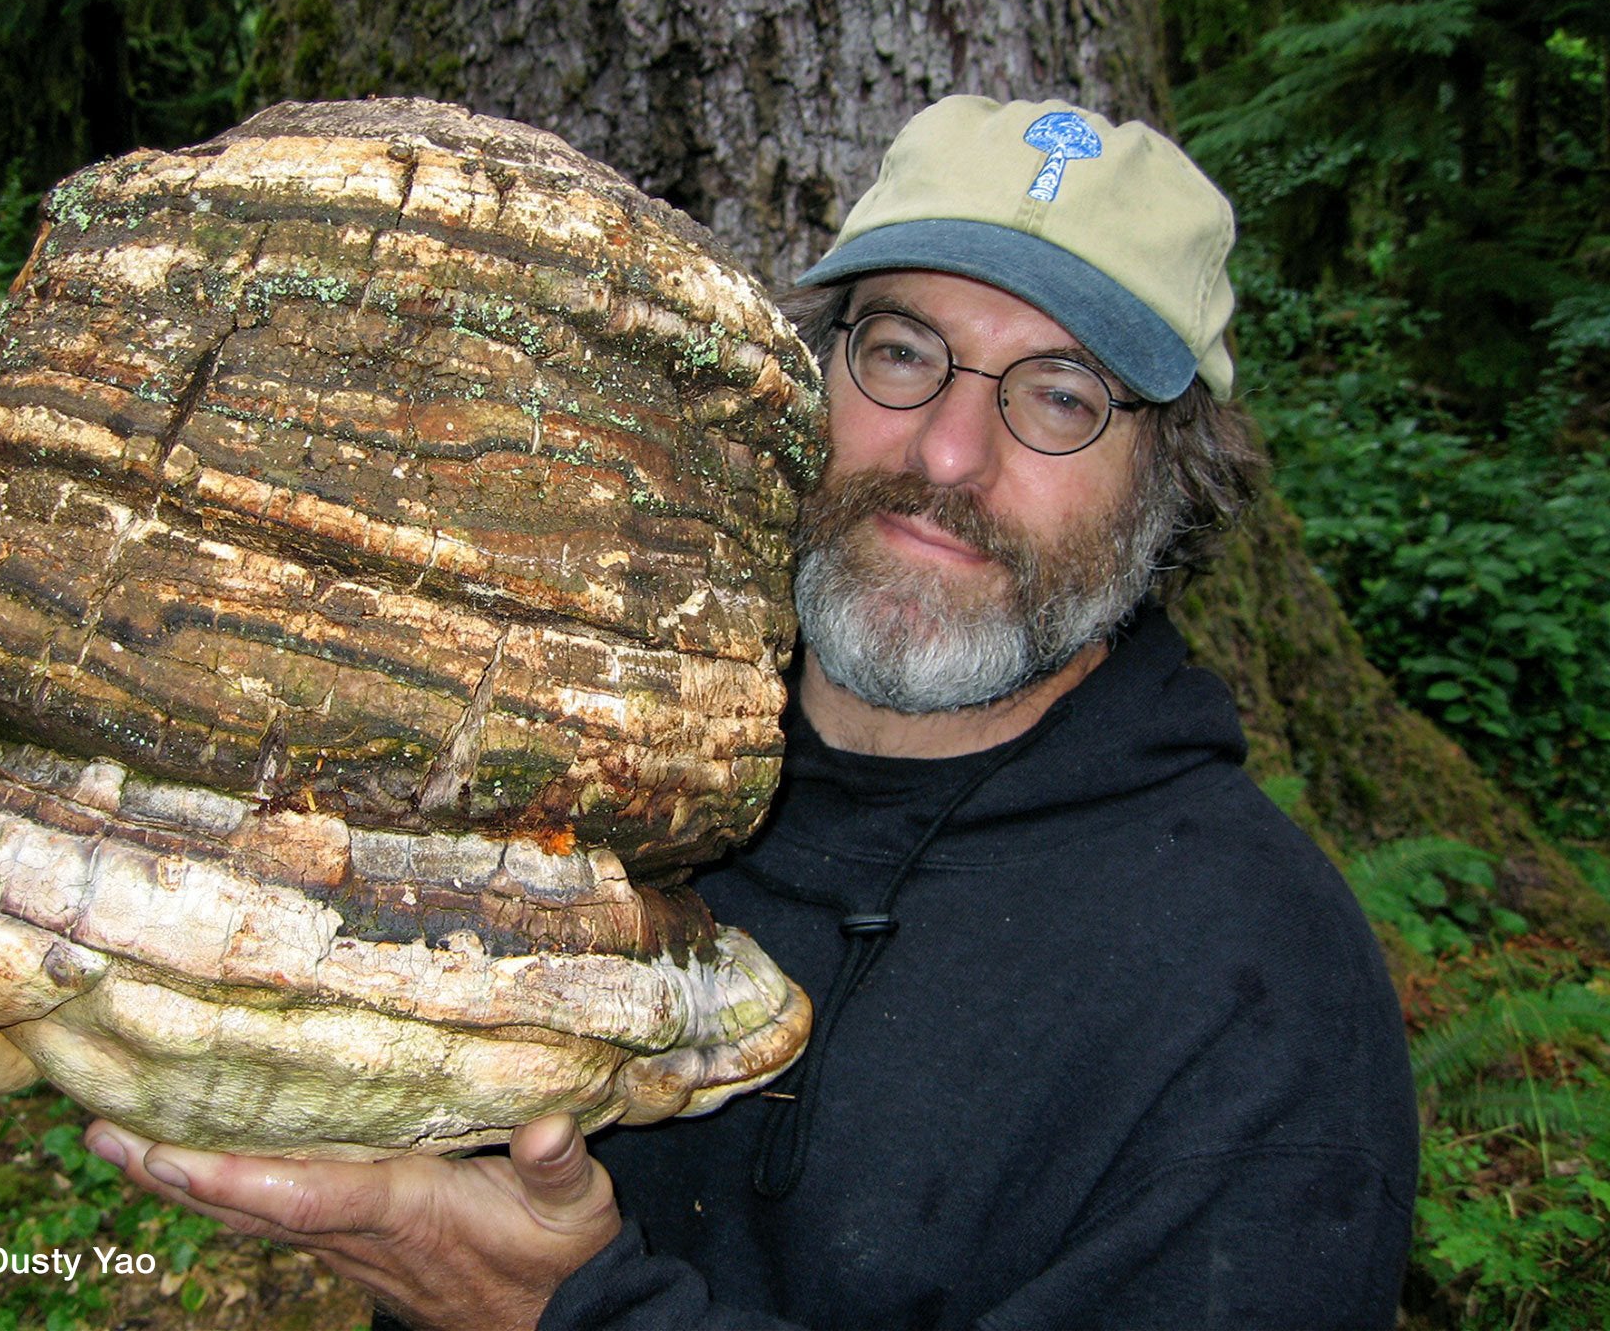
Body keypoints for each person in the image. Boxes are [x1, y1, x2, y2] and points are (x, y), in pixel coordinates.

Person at [83, 95, 1419, 1330]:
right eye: (904, 352)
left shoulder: (1255, 1002)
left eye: (1060, 396)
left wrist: (565, 1313)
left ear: (1170, 484)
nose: (947, 455)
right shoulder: (583, 789)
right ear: (808, 382)